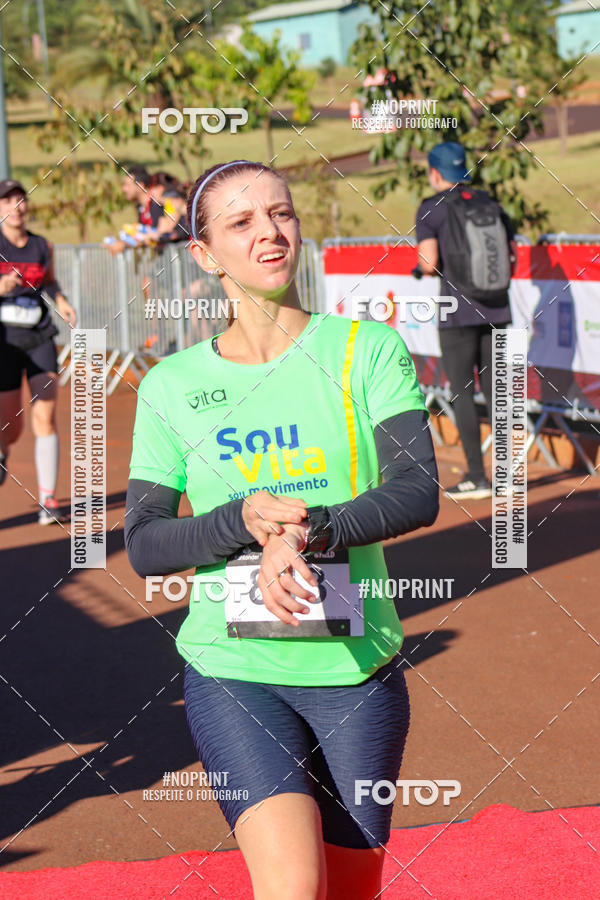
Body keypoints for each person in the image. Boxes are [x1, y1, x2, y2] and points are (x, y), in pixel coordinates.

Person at [125, 160, 439, 899]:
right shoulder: (172, 386)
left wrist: (311, 529)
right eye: (241, 222)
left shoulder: (365, 350)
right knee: (293, 888)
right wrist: (240, 522)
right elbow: (143, 540)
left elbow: (417, 490)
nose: (269, 232)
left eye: (282, 213)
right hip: (233, 673)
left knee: (352, 890)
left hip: (355, 673)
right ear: (204, 255)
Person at [415, 141, 518, 500]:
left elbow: (428, 263)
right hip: (498, 309)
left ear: (435, 173)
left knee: (462, 395)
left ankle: (477, 476)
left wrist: (420, 267)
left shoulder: (432, 210)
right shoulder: (490, 203)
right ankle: (505, 476)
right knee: (497, 395)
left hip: (458, 313)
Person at [0, 179, 76, 523]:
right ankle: (3, 451)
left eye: (21, 201)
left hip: (39, 334)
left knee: (45, 412)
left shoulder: (42, 245)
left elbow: (50, 281)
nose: (17, 208)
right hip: (4, 340)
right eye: (8, 202)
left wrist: (61, 300)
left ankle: (49, 498)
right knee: (8, 425)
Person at [105, 165, 164, 254]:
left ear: (141, 185)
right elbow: (141, 237)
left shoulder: (156, 204)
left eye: (127, 185)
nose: (124, 189)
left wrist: (124, 245)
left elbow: (157, 236)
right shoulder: (142, 208)